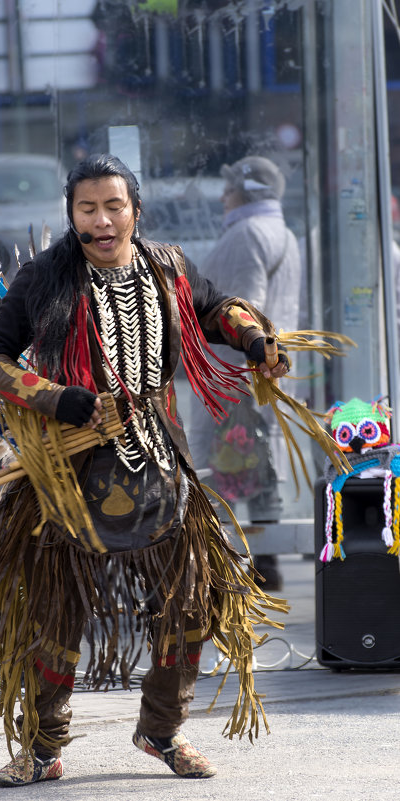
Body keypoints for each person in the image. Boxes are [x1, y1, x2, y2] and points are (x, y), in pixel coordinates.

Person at [0, 153, 292, 787]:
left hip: (159, 463)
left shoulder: (168, 268)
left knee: (191, 599)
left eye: (115, 206)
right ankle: (42, 747)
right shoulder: (45, 278)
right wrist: (61, 398)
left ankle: (162, 730)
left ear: (135, 211)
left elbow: (218, 307)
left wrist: (254, 340)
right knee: (54, 612)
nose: (103, 220)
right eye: (88, 208)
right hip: (67, 473)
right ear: (72, 215)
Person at [188, 155, 301, 592]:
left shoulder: (247, 233)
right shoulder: (283, 233)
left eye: (230, 187)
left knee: (226, 468)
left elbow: (243, 312)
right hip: (263, 380)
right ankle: (265, 561)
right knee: (259, 468)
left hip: (234, 378)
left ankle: (227, 568)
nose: (223, 195)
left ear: (248, 192)